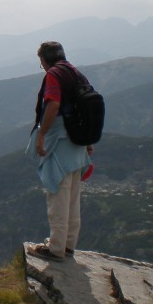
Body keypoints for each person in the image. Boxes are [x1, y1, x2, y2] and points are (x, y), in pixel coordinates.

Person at [28, 41, 93, 261]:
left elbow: (53, 105)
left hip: (61, 144)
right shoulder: (76, 73)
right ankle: (68, 245)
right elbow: (86, 107)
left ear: (46, 60)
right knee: (73, 199)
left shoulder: (54, 75)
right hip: (77, 144)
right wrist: (88, 140)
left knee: (57, 195)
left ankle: (55, 249)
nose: (43, 67)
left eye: (41, 63)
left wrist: (42, 135)